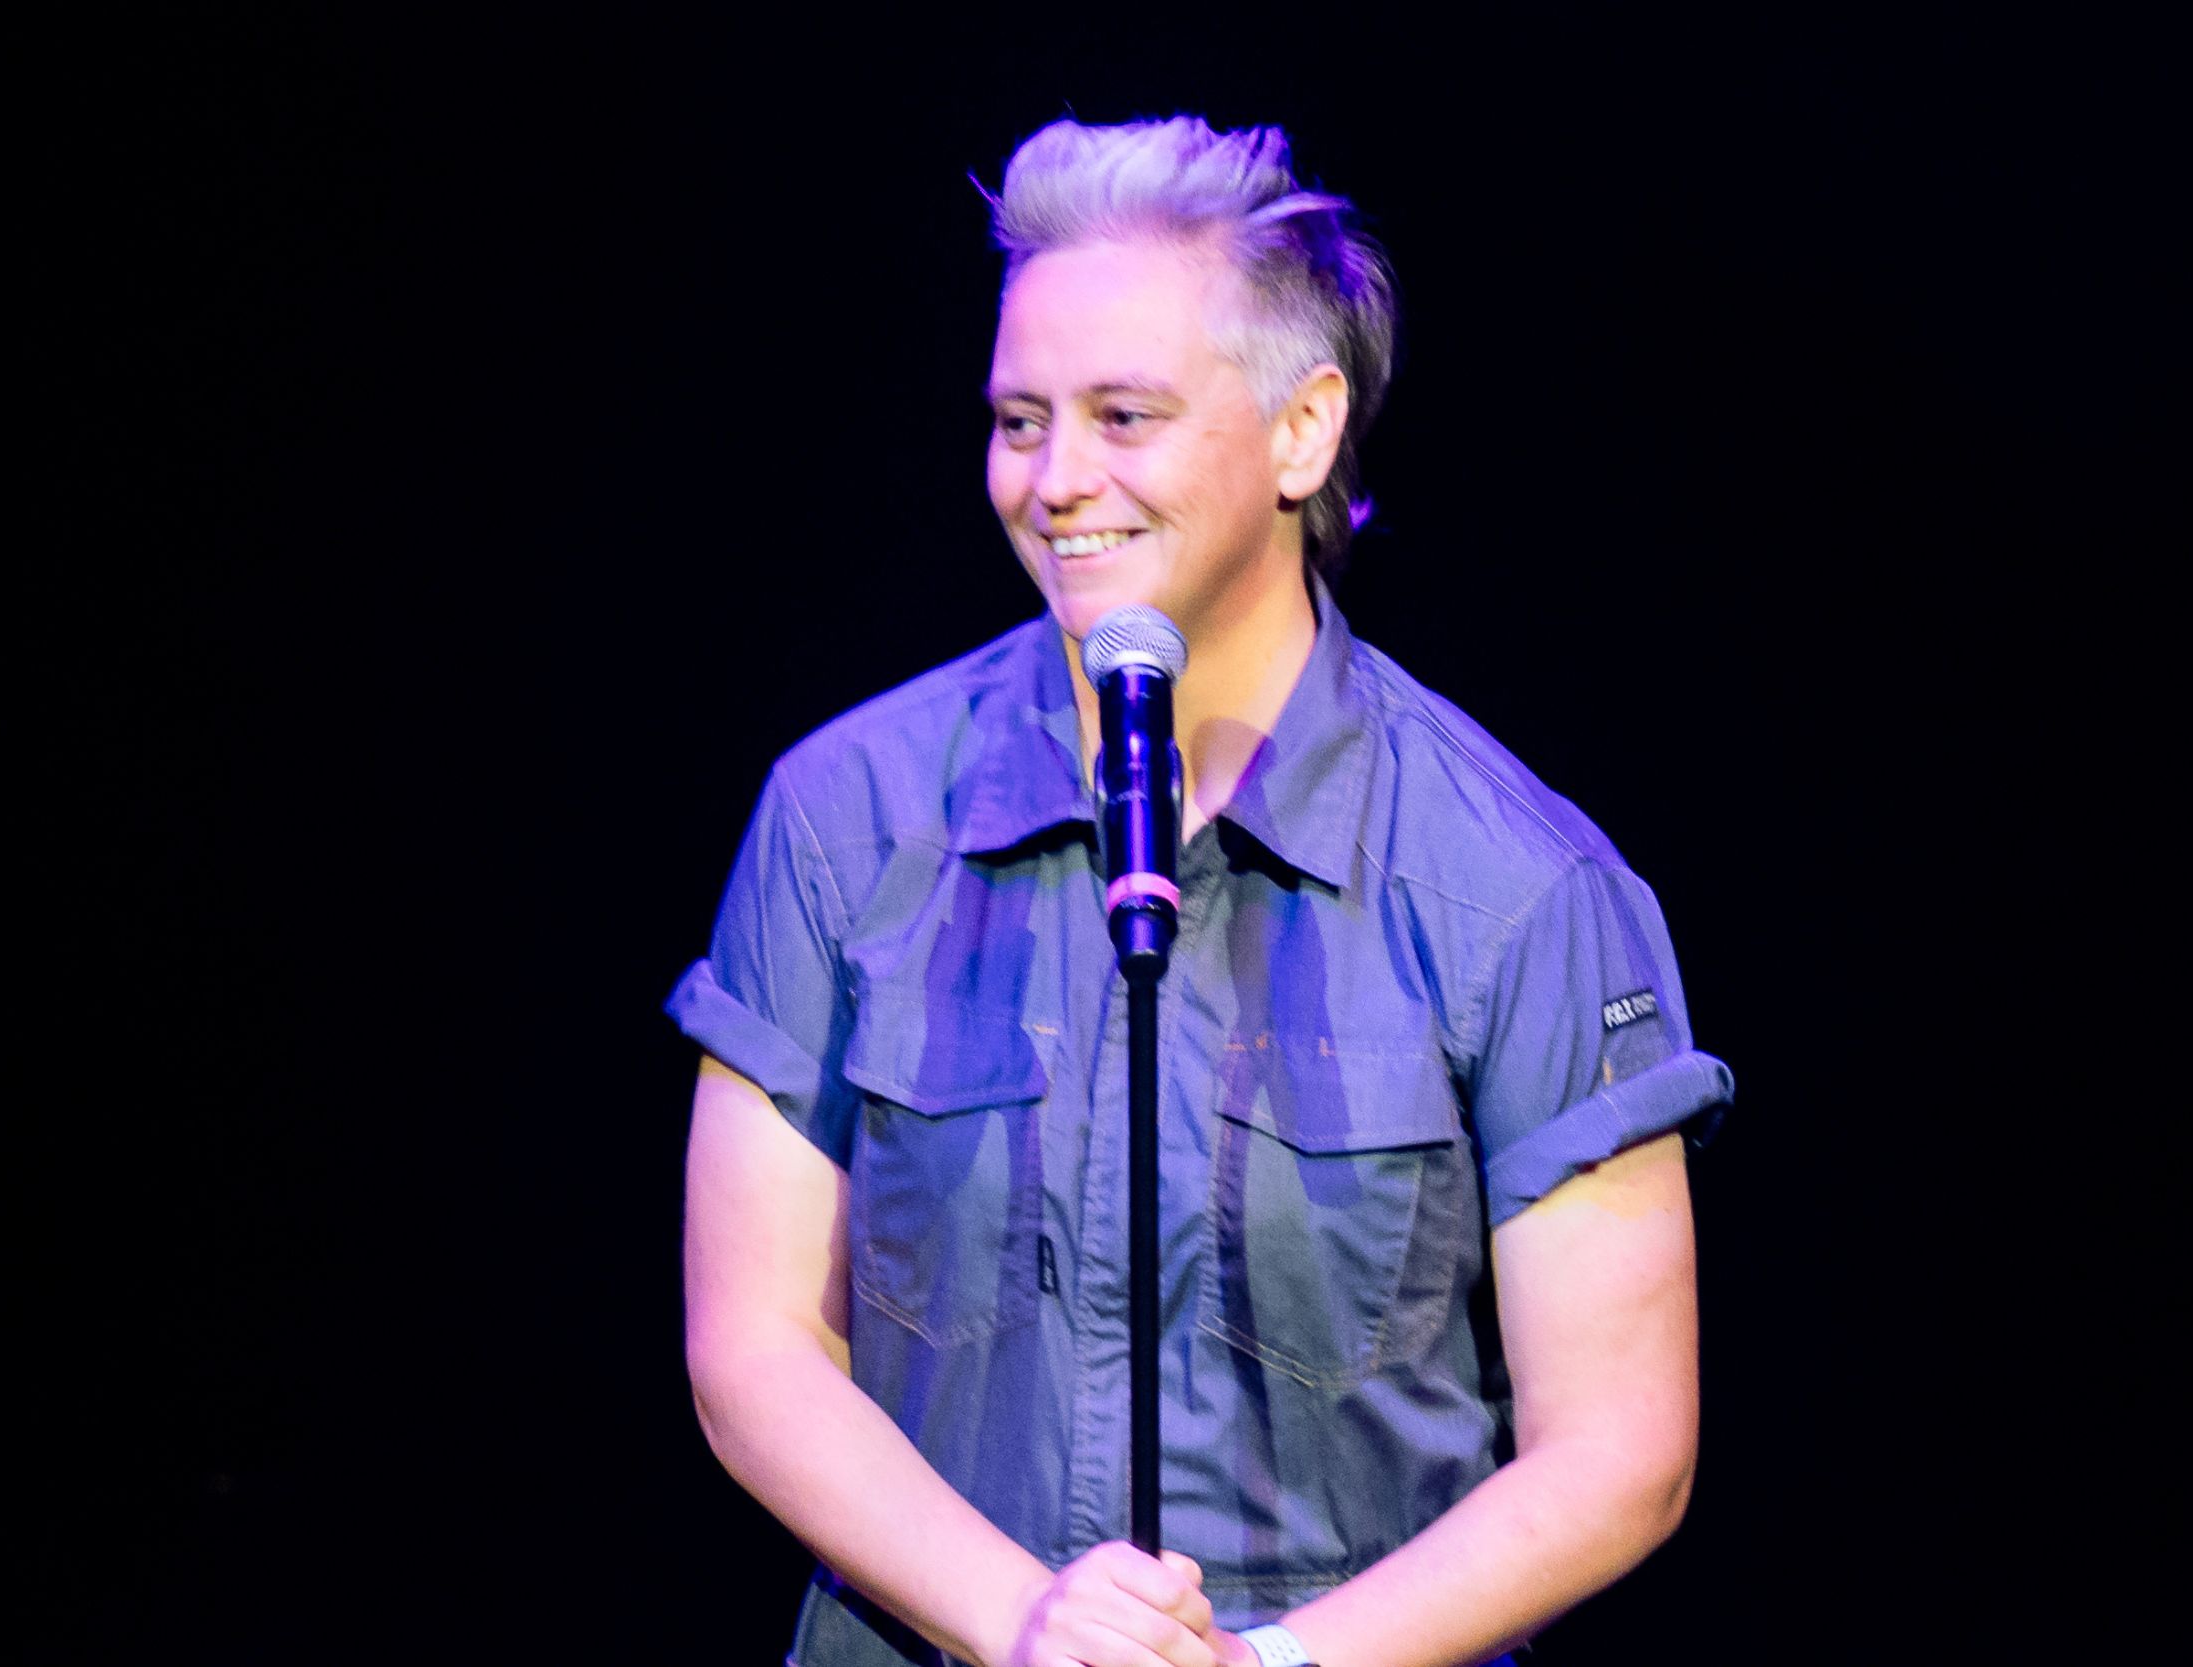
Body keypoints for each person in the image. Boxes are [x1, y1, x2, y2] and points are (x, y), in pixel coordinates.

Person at [670, 115, 1733, 1667]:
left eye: (1123, 415)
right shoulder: (843, 819)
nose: (1055, 481)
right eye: (1020, 419)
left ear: (1305, 432)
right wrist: (1020, 1620)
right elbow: (752, 1345)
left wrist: (1274, 1666)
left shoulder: (1519, 885)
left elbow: (1623, 1448)